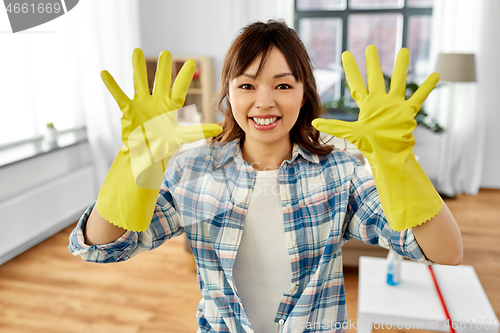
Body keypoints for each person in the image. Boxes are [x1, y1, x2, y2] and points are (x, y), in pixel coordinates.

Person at [69, 20, 462, 333]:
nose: (264, 101)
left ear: (304, 93)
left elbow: (444, 251)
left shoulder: (339, 173)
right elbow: (100, 247)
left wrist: (398, 163)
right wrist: (133, 162)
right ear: (229, 94)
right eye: (247, 85)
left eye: (282, 84)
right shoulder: (193, 171)